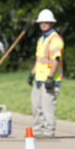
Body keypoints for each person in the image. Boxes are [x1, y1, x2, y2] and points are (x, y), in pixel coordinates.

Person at [28, 9, 64, 138]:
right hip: (39, 78)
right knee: (36, 105)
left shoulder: (55, 39)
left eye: (46, 22)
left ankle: (48, 132)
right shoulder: (42, 39)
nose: (43, 24)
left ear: (51, 23)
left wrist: (50, 77)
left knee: (47, 106)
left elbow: (56, 59)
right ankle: (38, 130)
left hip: (49, 79)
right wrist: (32, 74)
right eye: (41, 22)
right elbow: (39, 60)